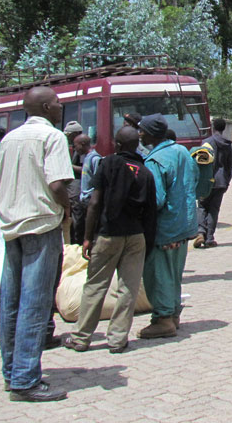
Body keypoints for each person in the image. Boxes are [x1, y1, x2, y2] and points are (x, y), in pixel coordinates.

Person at [0, 86, 72, 402]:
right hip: (41, 227)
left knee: (10, 304)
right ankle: (25, 380)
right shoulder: (53, 138)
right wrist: (67, 207)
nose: (62, 108)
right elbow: (58, 183)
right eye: (58, 104)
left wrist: (15, 196)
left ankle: (12, 374)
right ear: (47, 107)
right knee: (35, 304)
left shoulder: (9, 139)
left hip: (11, 230)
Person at [62, 126, 157, 354]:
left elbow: (94, 203)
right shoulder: (145, 172)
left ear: (118, 144)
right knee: (128, 289)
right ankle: (117, 339)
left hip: (107, 235)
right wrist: (148, 244)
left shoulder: (108, 164)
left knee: (95, 285)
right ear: (137, 146)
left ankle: (81, 337)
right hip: (135, 237)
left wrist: (87, 237)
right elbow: (151, 214)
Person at [136, 114, 199, 338]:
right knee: (174, 273)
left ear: (152, 133)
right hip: (183, 225)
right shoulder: (182, 152)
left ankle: (162, 319)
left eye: (142, 131)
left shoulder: (155, 161)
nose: (139, 134)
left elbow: (157, 199)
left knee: (158, 274)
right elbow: (195, 181)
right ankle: (173, 314)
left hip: (164, 228)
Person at [194, 118, 232, 249]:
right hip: (221, 181)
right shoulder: (227, 144)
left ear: (213, 127)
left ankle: (200, 232)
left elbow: (201, 164)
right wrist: (227, 182)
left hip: (207, 181)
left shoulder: (206, 143)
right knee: (214, 209)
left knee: (202, 206)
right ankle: (209, 238)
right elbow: (228, 166)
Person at [72, 134, 102, 245]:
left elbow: (97, 181)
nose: (75, 149)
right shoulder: (86, 158)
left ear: (83, 144)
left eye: (76, 146)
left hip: (89, 201)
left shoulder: (95, 159)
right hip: (83, 201)